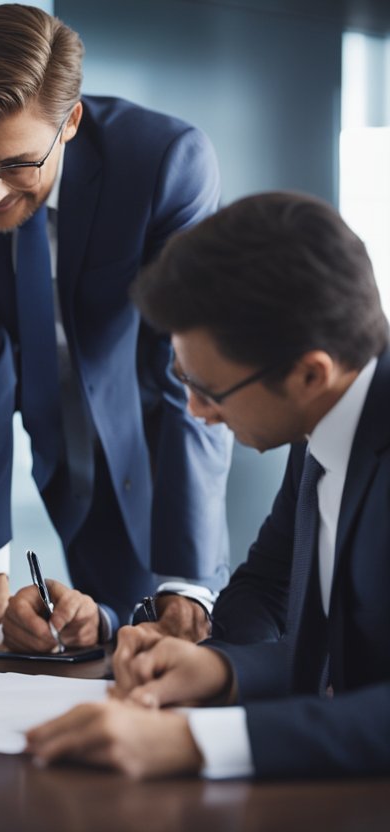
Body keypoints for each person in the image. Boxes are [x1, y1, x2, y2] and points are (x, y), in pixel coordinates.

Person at [0, 3, 231, 649]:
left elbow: (182, 370)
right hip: (60, 453)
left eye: (17, 165)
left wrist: (187, 577)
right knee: (86, 644)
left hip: (154, 442)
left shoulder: (164, 161)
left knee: (171, 638)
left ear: (70, 122)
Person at [26, 192, 390, 779]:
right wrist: (219, 670)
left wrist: (193, 742)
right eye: (182, 378)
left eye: (209, 390)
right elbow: (266, 591)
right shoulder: (322, 426)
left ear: (309, 373)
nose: (195, 411)